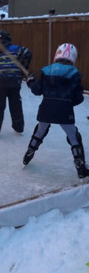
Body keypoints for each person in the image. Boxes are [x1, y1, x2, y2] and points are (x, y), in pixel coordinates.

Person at [23, 43, 89, 179]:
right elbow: (78, 98)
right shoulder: (75, 74)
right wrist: (70, 102)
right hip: (64, 110)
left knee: (40, 131)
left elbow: (37, 90)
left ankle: (30, 151)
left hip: (46, 108)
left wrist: (30, 81)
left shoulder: (47, 71)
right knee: (74, 137)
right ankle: (80, 165)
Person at [0, 30, 32, 137]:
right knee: (15, 104)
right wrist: (23, 68)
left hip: (0, 81)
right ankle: (18, 127)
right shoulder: (16, 49)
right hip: (14, 81)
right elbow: (28, 53)